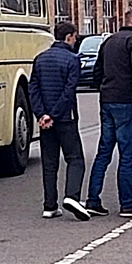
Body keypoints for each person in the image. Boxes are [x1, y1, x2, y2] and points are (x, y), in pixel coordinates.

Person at [84, 9, 132, 218]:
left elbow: (97, 71)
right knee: (128, 154)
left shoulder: (109, 41)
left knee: (103, 152)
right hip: (127, 102)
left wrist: (104, 89)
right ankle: (128, 202)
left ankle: (93, 200)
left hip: (107, 101)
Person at [29, 21, 92, 221]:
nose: (75, 41)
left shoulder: (40, 59)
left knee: (49, 162)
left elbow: (33, 89)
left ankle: (49, 205)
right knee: (75, 158)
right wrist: (54, 114)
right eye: (75, 37)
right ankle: (72, 196)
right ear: (69, 37)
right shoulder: (72, 60)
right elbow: (69, 91)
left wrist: (42, 114)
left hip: (45, 122)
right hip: (65, 118)